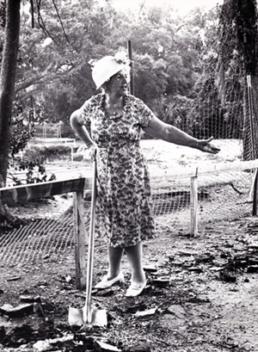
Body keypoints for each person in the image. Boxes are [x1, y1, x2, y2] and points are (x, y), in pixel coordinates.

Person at [70, 52, 220, 297]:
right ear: (106, 82)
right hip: (106, 175)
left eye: (124, 75)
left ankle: (138, 276)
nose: (125, 80)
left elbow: (166, 131)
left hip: (131, 174)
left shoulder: (134, 106)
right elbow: (75, 121)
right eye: (119, 76)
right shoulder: (93, 106)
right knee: (111, 223)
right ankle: (113, 273)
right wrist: (89, 145)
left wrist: (196, 143)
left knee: (128, 224)